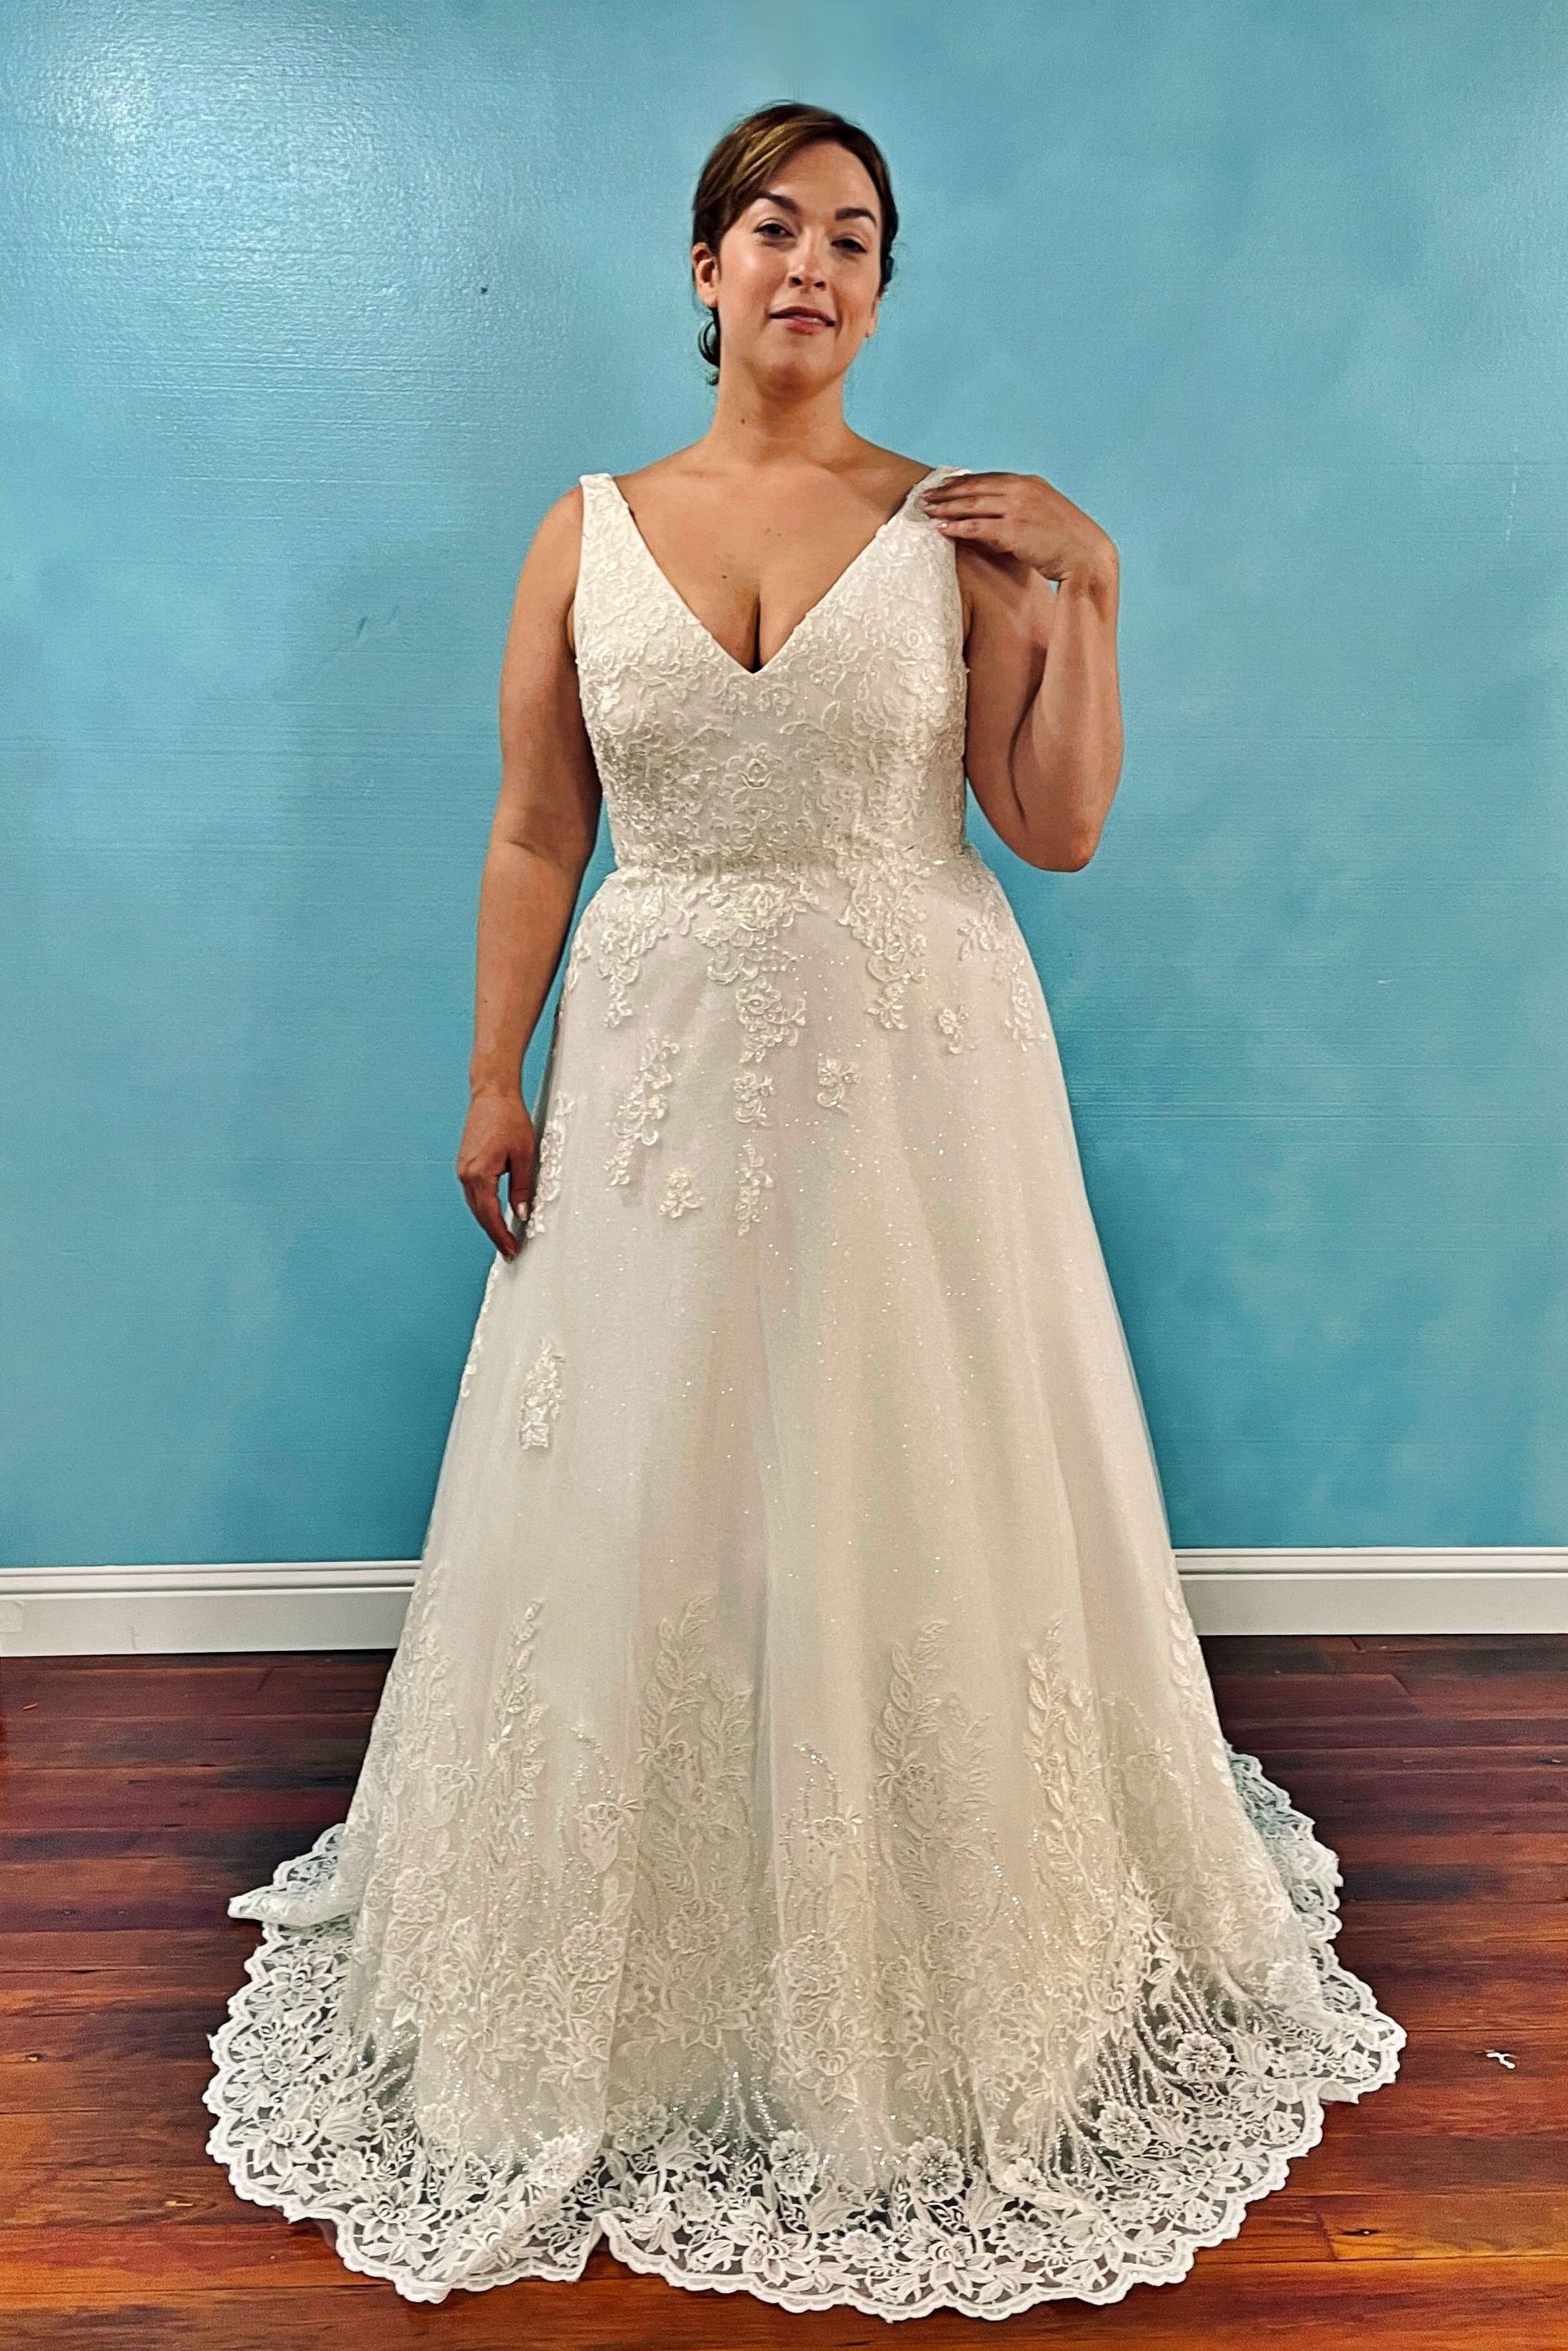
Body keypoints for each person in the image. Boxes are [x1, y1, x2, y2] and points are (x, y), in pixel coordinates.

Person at [203, 100, 1402, 2322]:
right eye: (777, 228)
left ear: (878, 286)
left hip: (917, 1072)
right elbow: (536, 830)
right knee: (655, 1488)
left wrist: (1097, 588)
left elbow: (1050, 830)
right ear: (700, 265)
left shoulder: (960, 533)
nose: (814, 270)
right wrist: (494, 1064)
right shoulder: (585, 534)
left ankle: (930, 1964)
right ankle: (636, 1969)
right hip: (658, 1057)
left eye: (857, 240)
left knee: (904, 1482)